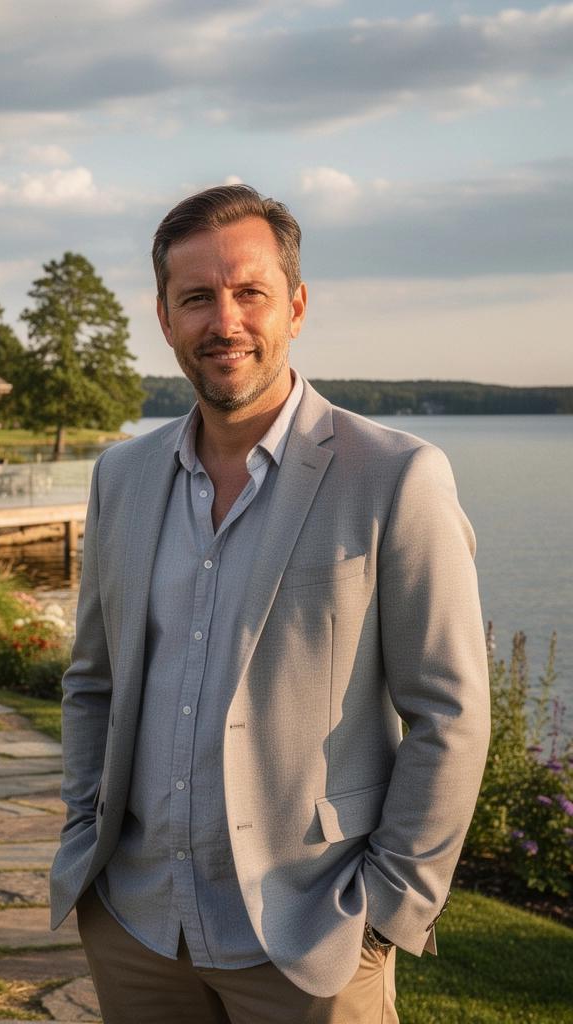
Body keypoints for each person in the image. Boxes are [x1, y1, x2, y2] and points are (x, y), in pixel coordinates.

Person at [49, 184, 491, 1023]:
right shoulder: (122, 479)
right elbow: (92, 682)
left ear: (295, 305)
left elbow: (452, 714)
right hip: (138, 927)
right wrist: (84, 844)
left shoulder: (396, 477)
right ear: (164, 315)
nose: (225, 321)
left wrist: (389, 909)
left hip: (310, 938)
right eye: (197, 298)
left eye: (249, 292)